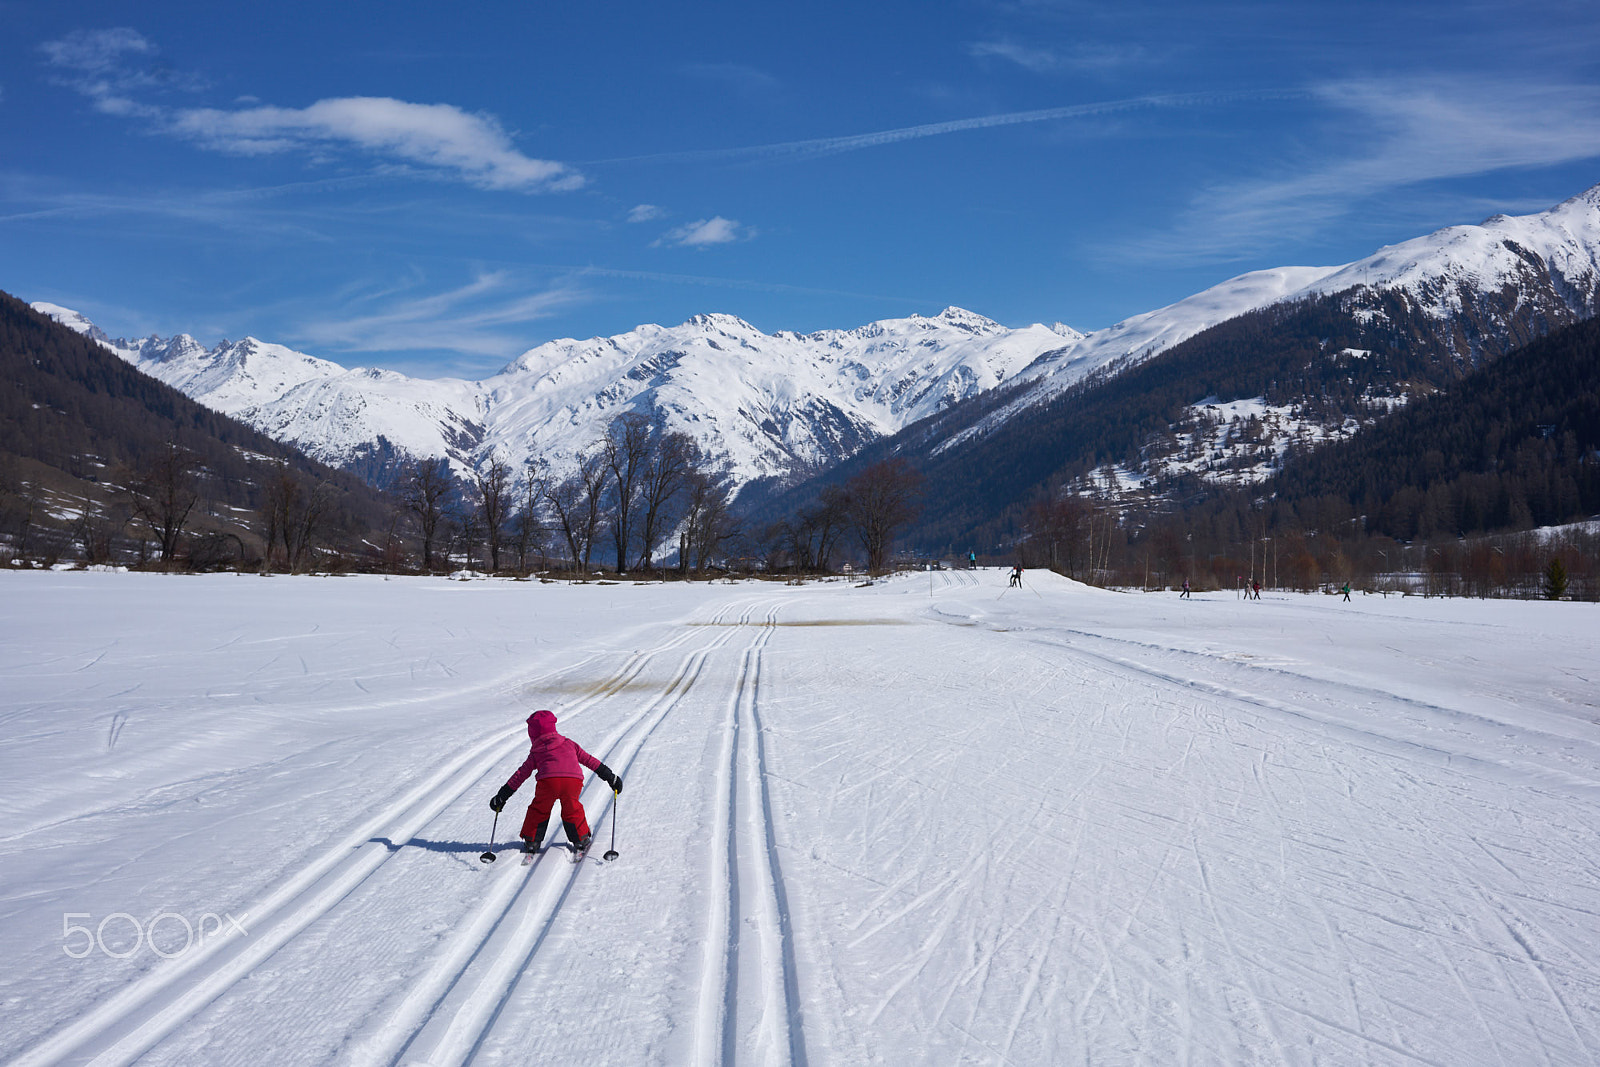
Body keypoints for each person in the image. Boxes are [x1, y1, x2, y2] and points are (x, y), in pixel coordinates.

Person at [491, 709, 622, 855]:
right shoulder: (569, 744)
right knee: (572, 808)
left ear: (532, 733)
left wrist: (503, 795)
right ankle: (581, 839)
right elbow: (590, 760)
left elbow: (520, 775)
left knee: (539, 809)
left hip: (548, 783)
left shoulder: (536, 751)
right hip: (572, 781)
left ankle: (532, 841)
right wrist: (611, 777)